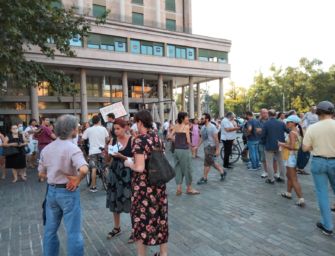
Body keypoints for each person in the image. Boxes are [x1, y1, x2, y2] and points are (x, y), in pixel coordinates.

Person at [38, 115, 88, 256]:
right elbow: (84, 169)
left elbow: (41, 174)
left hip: (51, 193)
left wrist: (54, 175)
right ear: (72, 130)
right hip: (68, 192)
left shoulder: (46, 149)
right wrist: (77, 180)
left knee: (50, 231)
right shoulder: (72, 148)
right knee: (73, 232)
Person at [124, 110, 168, 256]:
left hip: (143, 189)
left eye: (135, 122)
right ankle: (163, 253)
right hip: (158, 186)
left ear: (140, 122)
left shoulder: (139, 140)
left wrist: (128, 163)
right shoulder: (157, 137)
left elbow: (139, 167)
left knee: (141, 222)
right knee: (160, 219)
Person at [303, 101, 335, 236]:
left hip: (318, 161)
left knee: (322, 194)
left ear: (318, 113)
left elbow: (305, 148)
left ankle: (327, 226)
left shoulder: (313, 128)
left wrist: (315, 146)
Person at [105, 118, 133, 242]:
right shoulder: (113, 140)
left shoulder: (133, 140)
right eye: (114, 129)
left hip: (128, 173)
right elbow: (108, 160)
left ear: (125, 128)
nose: (116, 131)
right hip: (115, 173)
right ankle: (117, 228)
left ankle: (135, 229)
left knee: (131, 200)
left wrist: (122, 156)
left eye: (118, 128)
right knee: (115, 199)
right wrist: (106, 151)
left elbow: (136, 159)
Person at [169, 112, 200, 196]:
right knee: (187, 169)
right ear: (182, 118)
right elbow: (188, 140)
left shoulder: (175, 126)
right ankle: (189, 188)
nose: (188, 119)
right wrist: (193, 146)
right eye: (187, 117)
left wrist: (176, 141)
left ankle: (179, 188)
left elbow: (169, 137)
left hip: (176, 150)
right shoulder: (186, 127)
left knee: (178, 168)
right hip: (184, 150)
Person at [279, 115, 305, 207]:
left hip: (290, 157)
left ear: (293, 123)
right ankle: (288, 193)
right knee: (289, 175)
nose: (286, 123)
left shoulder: (292, 133)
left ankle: (301, 198)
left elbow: (292, 147)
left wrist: (281, 144)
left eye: (288, 122)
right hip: (291, 157)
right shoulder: (297, 131)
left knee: (293, 178)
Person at [197, 113, 226, 185]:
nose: (201, 120)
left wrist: (217, 149)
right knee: (209, 163)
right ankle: (222, 172)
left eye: (202, 118)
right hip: (206, 147)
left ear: (207, 119)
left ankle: (205, 178)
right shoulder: (203, 127)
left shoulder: (212, 127)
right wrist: (197, 146)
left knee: (209, 163)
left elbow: (216, 139)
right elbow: (202, 138)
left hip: (211, 147)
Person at [82, 115, 109, 192]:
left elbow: (83, 139)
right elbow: (107, 139)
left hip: (92, 151)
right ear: (99, 121)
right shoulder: (103, 129)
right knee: (105, 167)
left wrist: (83, 145)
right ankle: (107, 182)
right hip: (102, 150)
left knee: (93, 169)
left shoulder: (88, 130)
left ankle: (93, 187)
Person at [262, 109, 287, 184]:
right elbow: (288, 131)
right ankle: (282, 177)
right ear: (275, 115)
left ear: (268, 115)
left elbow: (263, 136)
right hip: (279, 145)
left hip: (269, 145)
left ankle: (271, 179)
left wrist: (264, 142)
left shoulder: (266, 124)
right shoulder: (281, 123)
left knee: (269, 163)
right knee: (281, 162)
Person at [258, 109, 269, 178]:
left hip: (270, 142)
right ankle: (265, 172)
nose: (265, 114)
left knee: (274, 159)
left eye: (266, 113)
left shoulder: (271, 120)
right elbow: (257, 131)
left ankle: (276, 172)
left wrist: (262, 130)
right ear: (260, 114)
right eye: (263, 113)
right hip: (262, 142)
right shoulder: (258, 122)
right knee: (263, 158)